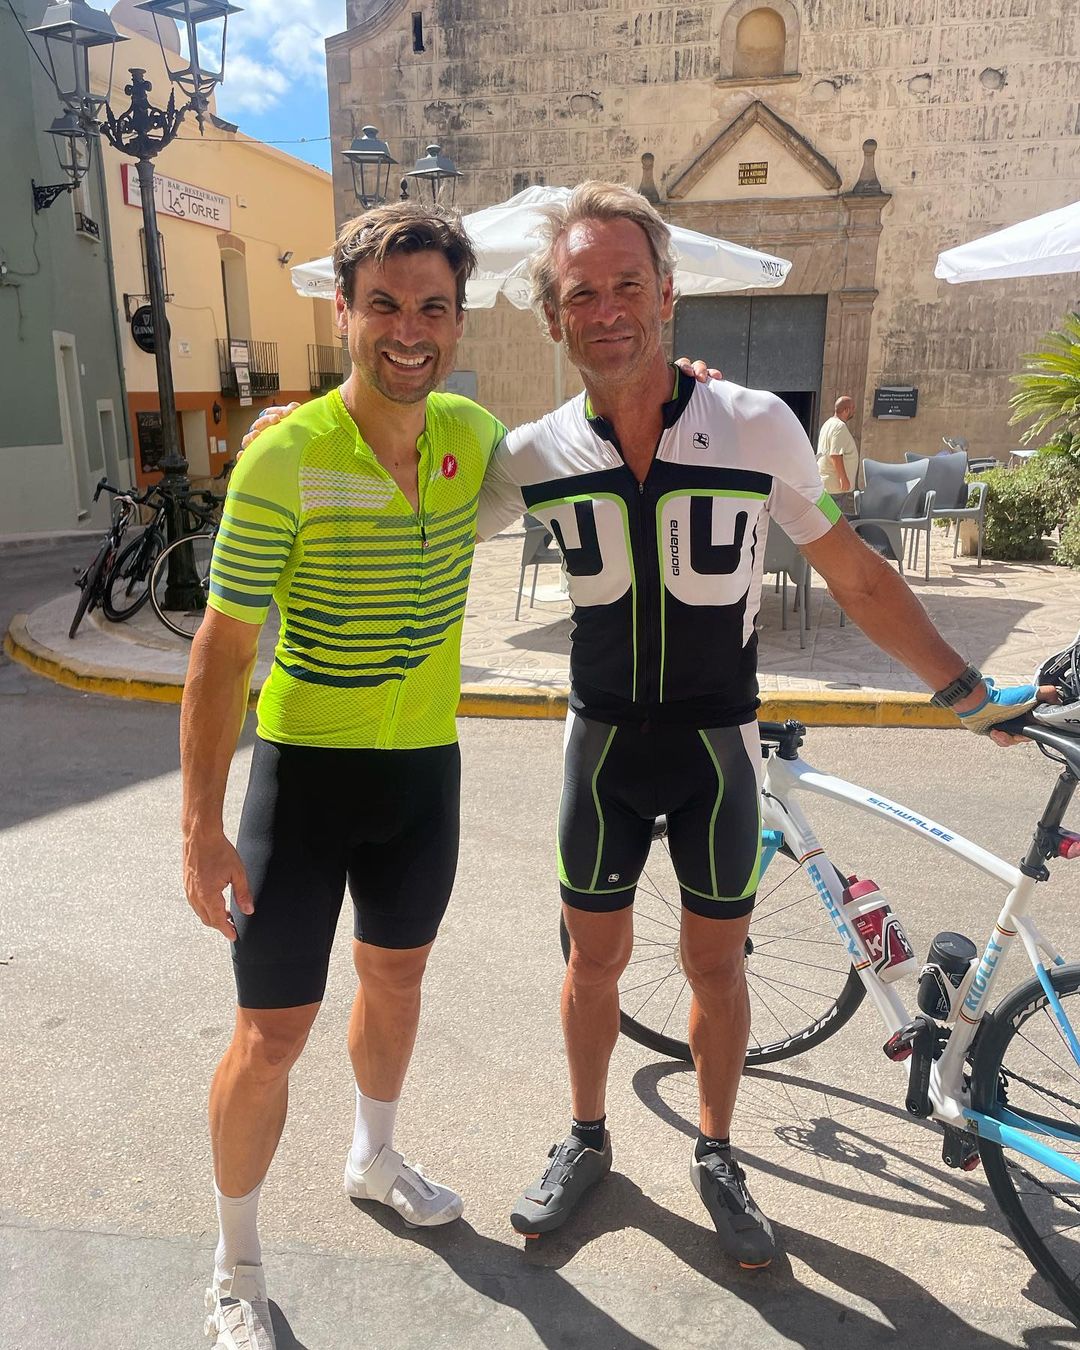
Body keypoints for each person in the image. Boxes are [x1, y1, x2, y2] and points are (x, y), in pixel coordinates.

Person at [243, 183, 1042, 1279]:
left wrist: (963, 691)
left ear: (668, 295)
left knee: (716, 966)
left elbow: (854, 574)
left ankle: (718, 1152)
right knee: (593, 964)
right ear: (553, 317)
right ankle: (587, 1137)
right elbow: (405, 477)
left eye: (628, 285)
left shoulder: (756, 425)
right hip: (602, 751)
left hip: (717, 750)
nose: (607, 309)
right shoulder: (529, 451)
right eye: (581, 293)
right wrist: (299, 426)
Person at [182, 202, 507, 1350]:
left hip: (423, 778)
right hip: (305, 783)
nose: (408, 330)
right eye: (384, 305)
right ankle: (236, 1267)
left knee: (397, 981)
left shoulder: (473, 435)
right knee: (270, 1036)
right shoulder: (287, 454)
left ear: (458, 320)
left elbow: (591, 448)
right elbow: (221, 650)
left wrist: (678, 390)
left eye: (432, 308)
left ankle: (374, 1157)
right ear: (345, 312)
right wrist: (200, 828)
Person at [816, 394, 860, 496]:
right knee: (837, 507)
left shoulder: (828, 423)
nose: (854, 411)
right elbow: (835, 455)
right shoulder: (839, 427)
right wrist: (843, 478)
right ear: (846, 410)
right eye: (853, 408)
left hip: (828, 484)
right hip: (836, 487)